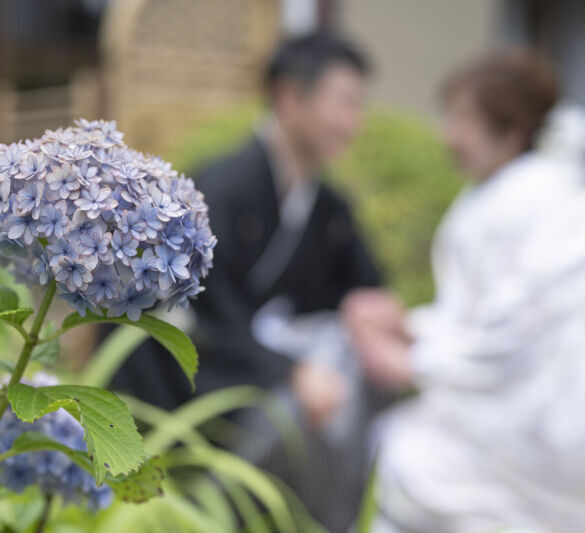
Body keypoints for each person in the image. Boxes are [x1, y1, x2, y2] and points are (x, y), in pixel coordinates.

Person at [344, 49, 585, 532]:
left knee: (408, 460)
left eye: (463, 120)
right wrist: (411, 327)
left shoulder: (529, 200)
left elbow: (513, 337)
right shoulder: (500, 192)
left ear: (511, 132)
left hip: (543, 417)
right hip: (517, 397)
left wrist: (413, 360)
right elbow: (482, 318)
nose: (449, 135)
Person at [112, 32, 388, 530]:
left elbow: (362, 288)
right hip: (195, 383)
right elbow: (207, 313)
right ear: (289, 96)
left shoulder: (327, 205)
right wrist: (292, 373)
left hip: (260, 366)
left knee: (359, 378)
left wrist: (373, 314)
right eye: (345, 104)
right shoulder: (221, 186)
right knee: (299, 412)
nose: (354, 124)